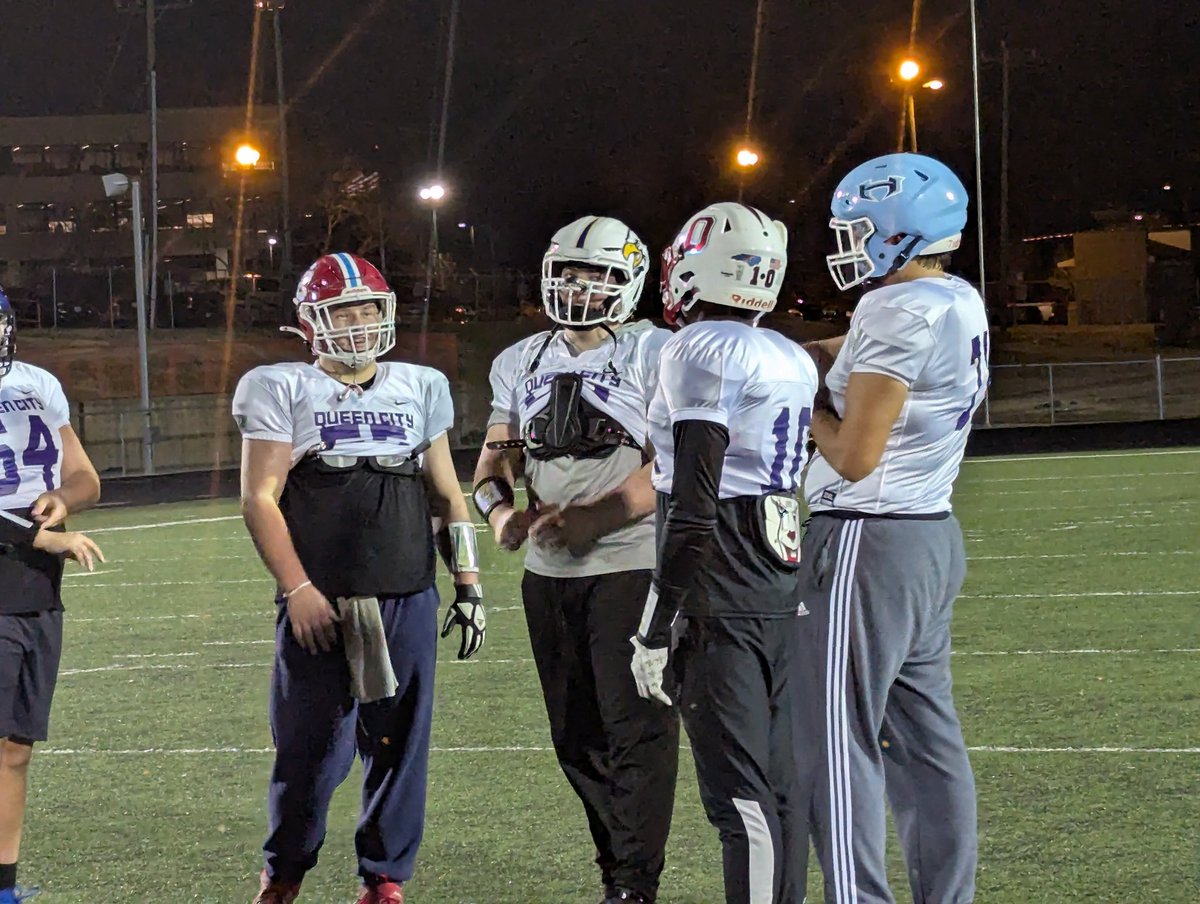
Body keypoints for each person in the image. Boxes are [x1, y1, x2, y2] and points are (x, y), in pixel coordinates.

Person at [234, 253, 487, 904]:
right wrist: (298, 589)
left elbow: (447, 496)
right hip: (322, 599)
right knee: (310, 750)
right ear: (310, 322)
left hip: (407, 592)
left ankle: (384, 877)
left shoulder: (419, 386)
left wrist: (468, 583)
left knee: (399, 744)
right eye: (342, 312)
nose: (358, 323)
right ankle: (285, 868)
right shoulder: (281, 387)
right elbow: (259, 498)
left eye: (368, 309)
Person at [473, 216, 679, 904]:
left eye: (598, 276)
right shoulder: (520, 360)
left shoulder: (656, 351)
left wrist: (600, 516)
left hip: (632, 567)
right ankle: (616, 871)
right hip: (550, 577)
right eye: (570, 273)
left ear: (629, 282)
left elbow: (674, 460)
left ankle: (634, 885)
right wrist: (502, 516)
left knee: (636, 732)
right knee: (576, 738)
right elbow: (492, 465)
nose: (580, 287)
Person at [801, 152, 988, 904]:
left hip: (865, 537)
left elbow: (852, 456)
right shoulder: (956, 297)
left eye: (858, 229)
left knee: (835, 739)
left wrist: (799, 398)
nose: (847, 244)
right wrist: (806, 354)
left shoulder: (894, 308)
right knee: (927, 744)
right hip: (928, 534)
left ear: (898, 230)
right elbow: (856, 360)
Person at [632, 202, 819, 904]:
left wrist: (655, 627)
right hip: (778, 574)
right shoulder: (788, 352)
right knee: (781, 791)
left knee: (740, 802)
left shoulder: (699, 347)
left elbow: (693, 505)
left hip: (720, 580)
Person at [0, 286, 104, 904]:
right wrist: (40, 537)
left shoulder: (38, 383)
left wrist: (63, 500)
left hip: (36, 583)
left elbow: (85, 477)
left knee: (15, 749)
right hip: (23, 555)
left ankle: (3, 888)